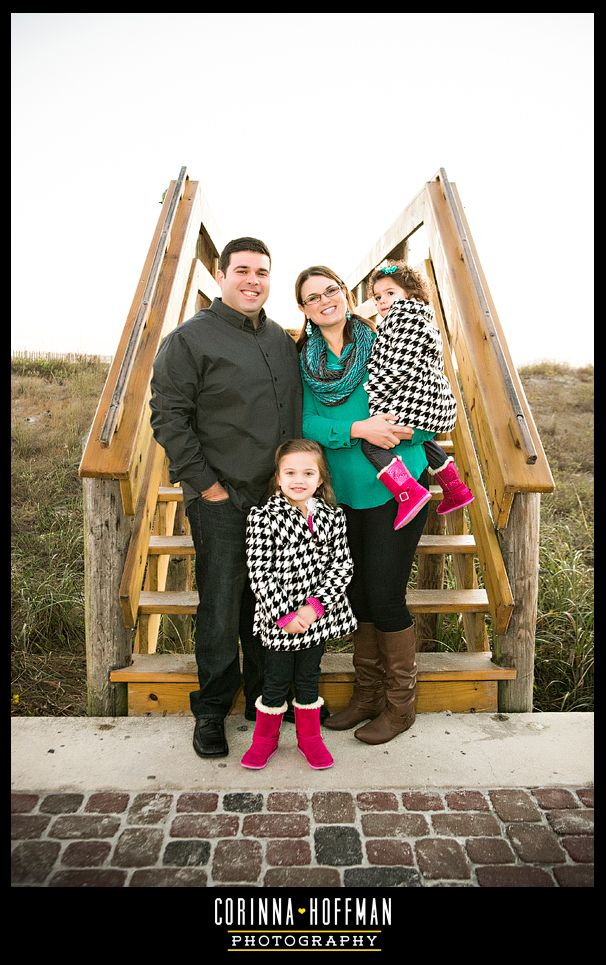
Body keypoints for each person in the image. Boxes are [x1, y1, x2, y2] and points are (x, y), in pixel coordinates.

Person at [149, 237, 302, 759]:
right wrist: (206, 484)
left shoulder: (282, 339)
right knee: (219, 606)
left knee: (269, 607)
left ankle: (266, 699)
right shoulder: (189, 340)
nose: (253, 280)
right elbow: (169, 417)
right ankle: (211, 711)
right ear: (221, 276)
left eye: (262, 271)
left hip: (275, 502)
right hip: (220, 498)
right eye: (242, 270)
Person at [295, 265, 431, 745]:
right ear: (305, 309)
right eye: (313, 297)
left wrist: (402, 429)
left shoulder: (383, 339)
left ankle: (400, 706)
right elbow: (305, 420)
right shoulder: (303, 360)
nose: (325, 300)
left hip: (396, 488)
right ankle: (368, 696)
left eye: (332, 290)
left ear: (346, 295)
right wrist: (357, 429)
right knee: (356, 594)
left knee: (385, 592)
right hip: (342, 493)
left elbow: (429, 402)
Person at [241, 439, 357, 770]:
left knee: (308, 676)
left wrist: (314, 608)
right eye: (290, 472)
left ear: (320, 480)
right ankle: (265, 740)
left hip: (315, 617)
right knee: (275, 679)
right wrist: (283, 615)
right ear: (277, 478)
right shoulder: (263, 518)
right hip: (279, 620)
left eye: (308, 473)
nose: (298, 480)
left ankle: (309, 740)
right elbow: (260, 571)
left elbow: (342, 566)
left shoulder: (333, 518)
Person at [363, 260, 473, 529]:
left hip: (416, 401)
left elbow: (396, 367)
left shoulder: (403, 318)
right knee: (423, 439)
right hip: (430, 402)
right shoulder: (421, 316)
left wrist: (374, 395)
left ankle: (408, 492)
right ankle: (455, 487)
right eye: (378, 297)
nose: (383, 301)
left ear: (409, 293)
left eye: (391, 293)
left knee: (372, 443)